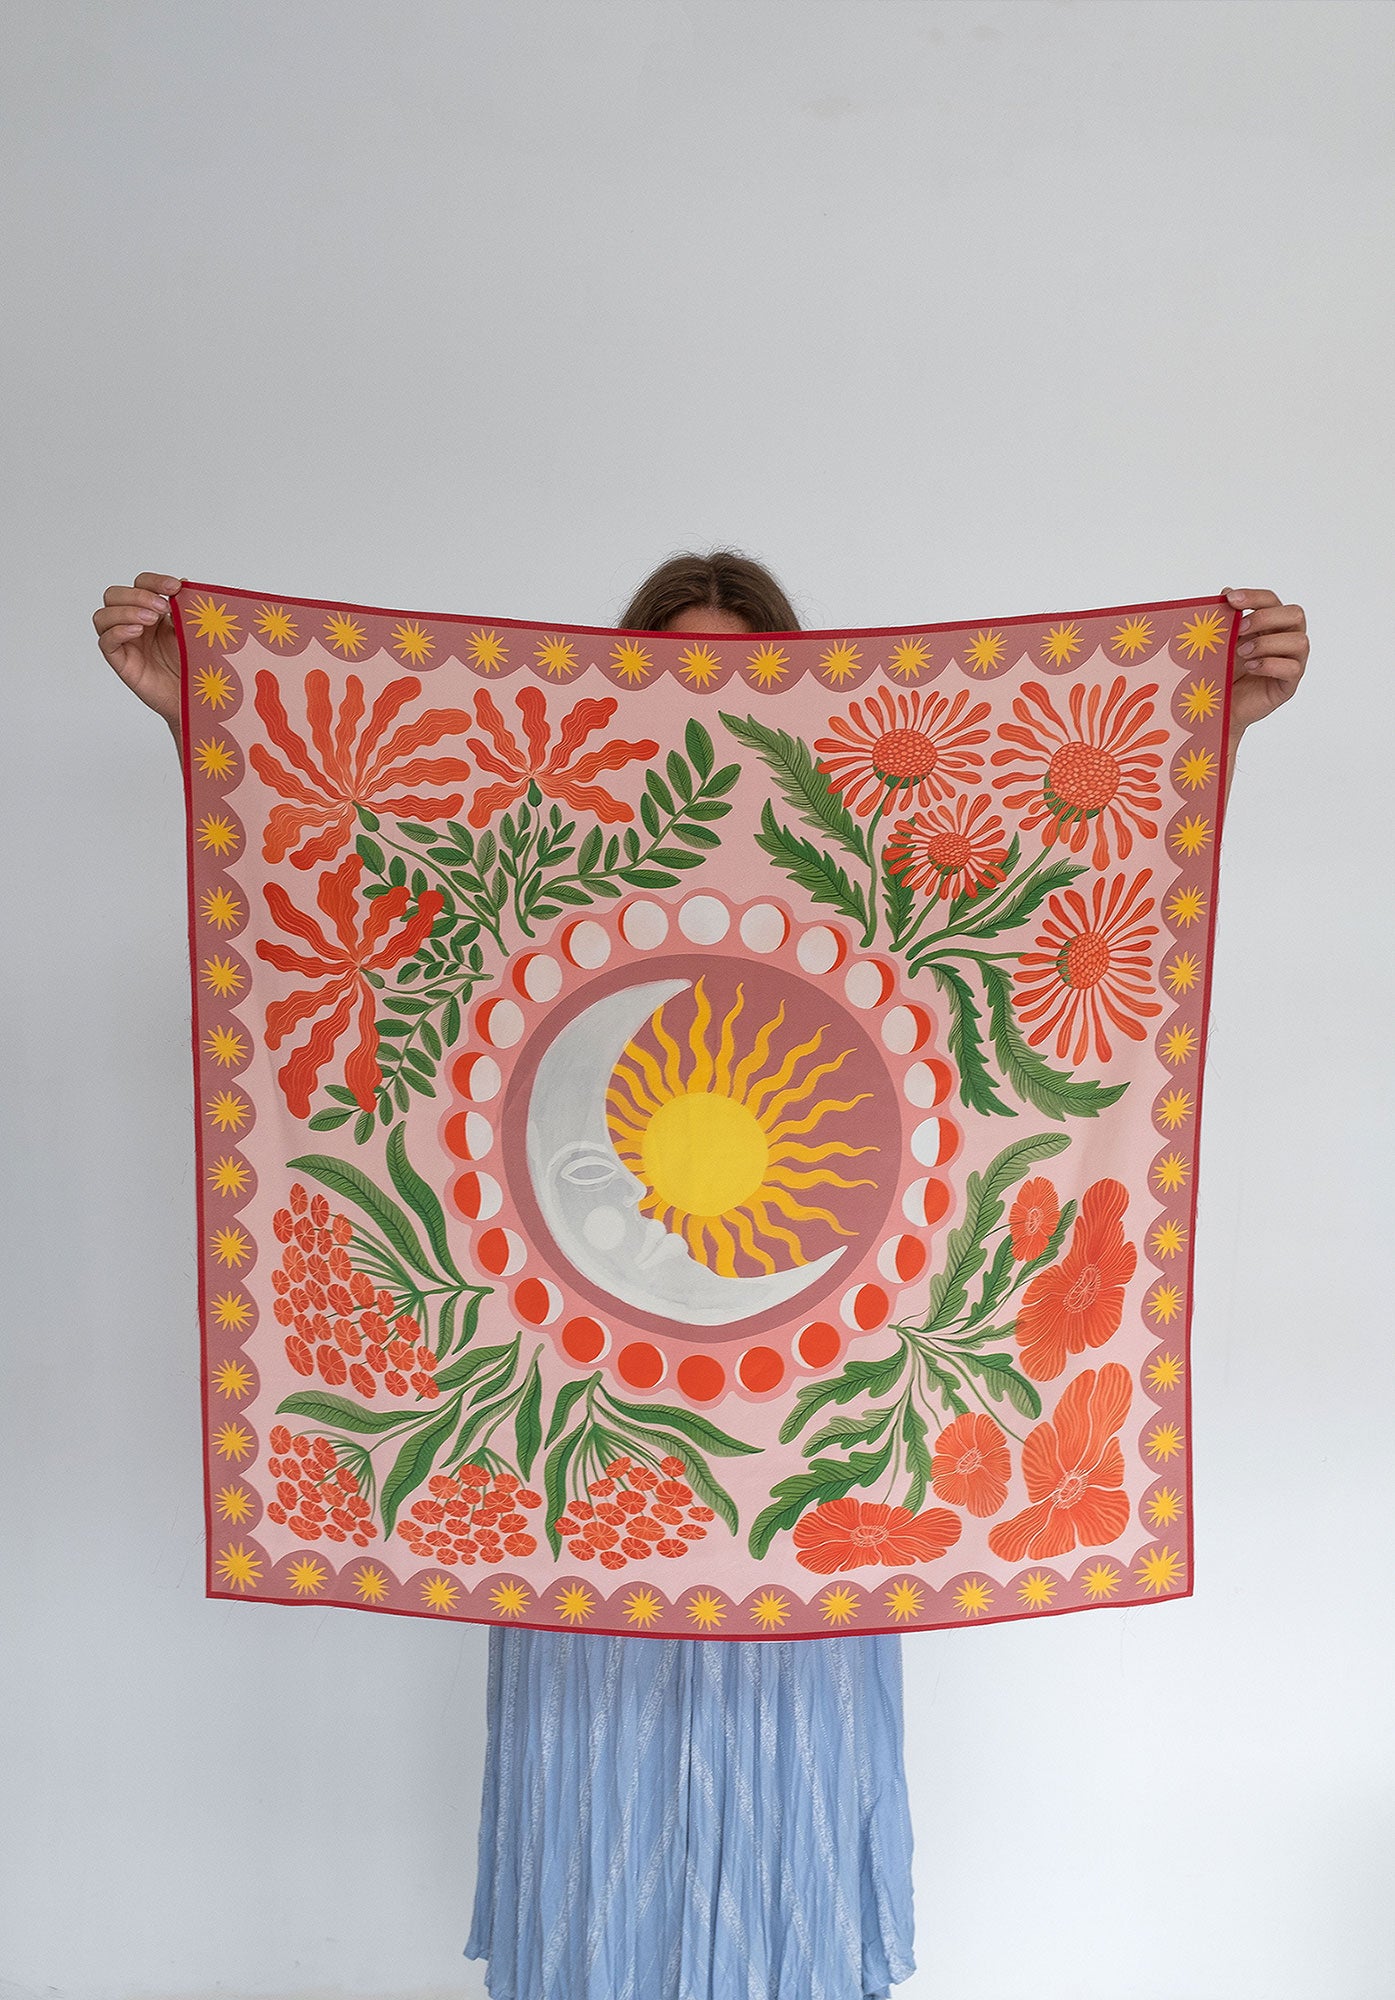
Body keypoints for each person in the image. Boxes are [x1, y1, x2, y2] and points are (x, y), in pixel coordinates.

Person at [94, 554, 1308, 2000]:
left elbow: (1052, 889)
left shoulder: (873, 872)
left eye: (740, 671)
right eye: (675, 671)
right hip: (580, 1515)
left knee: (789, 1894)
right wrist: (199, 709)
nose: (707, 702)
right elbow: (367, 874)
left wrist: (1203, 720)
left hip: (811, 1522)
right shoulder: (549, 868)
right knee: (596, 1892)